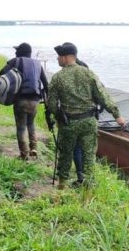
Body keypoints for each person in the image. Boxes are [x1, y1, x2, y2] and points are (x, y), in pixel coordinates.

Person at [46, 42, 124, 189]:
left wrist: (58, 117)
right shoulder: (88, 73)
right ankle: (87, 194)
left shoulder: (57, 77)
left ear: (68, 57)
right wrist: (117, 115)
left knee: (65, 156)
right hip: (89, 121)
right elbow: (102, 96)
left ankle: (61, 189)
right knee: (89, 157)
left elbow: (51, 104)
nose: (57, 59)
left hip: (68, 124)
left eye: (59, 56)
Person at [0, 42, 48, 160]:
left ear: (21, 52)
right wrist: (47, 101)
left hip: (21, 100)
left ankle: (24, 155)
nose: (15, 52)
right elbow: (45, 84)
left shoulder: (15, 61)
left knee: (21, 127)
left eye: (17, 51)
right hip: (35, 101)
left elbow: (1, 74)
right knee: (31, 124)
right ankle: (34, 148)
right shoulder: (38, 64)